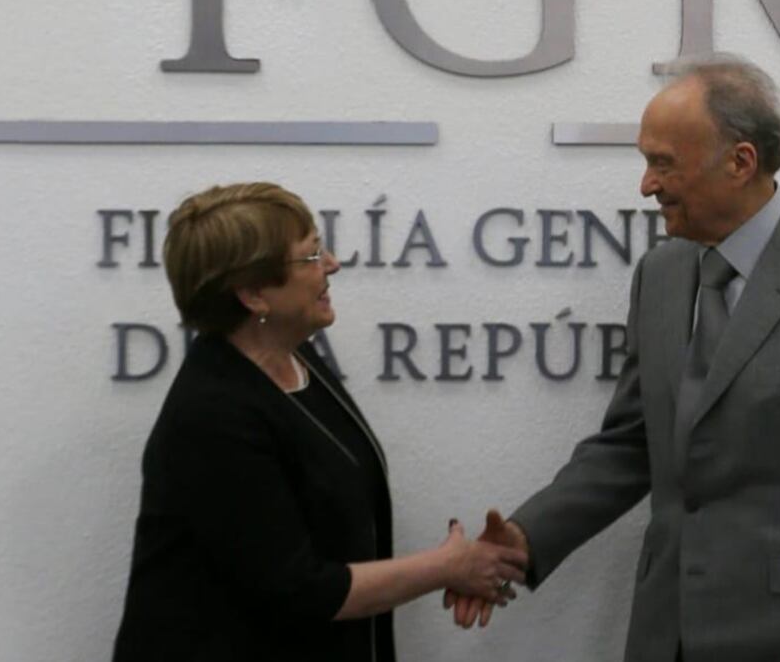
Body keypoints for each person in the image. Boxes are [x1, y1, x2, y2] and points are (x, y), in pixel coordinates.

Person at [449, 56, 780, 662]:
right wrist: (520, 540)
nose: (646, 184)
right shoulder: (661, 273)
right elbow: (630, 444)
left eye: (662, 162)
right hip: (663, 633)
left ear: (740, 161)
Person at [113, 182, 526, 662]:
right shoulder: (212, 415)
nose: (331, 265)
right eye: (309, 258)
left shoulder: (296, 359)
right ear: (252, 294)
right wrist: (446, 567)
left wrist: (460, 564)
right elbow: (303, 589)